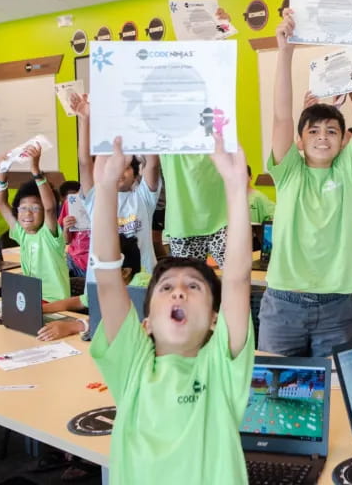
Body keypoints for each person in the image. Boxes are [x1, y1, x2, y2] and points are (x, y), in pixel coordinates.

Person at [90, 135, 253, 485]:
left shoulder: (221, 367)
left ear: (214, 320)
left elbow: (237, 279)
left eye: (194, 287)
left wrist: (235, 188)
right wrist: (104, 189)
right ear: (146, 323)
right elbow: (107, 280)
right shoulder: (133, 366)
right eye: (166, 288)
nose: (179, 291)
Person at [259, 8, 352, 356]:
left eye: (331, 131)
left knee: (334, 385)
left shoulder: (347, 170)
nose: (322, 136)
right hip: (283, 304)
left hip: (336, 306)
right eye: (313, 131)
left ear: (343, 140)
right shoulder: (289, 171)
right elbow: (281, 115)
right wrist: (285, 53)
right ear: (299, 141)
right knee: (274, 386)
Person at [72, 94, 160, 279]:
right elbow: (84, 163)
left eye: (126, 167)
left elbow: (152, 164)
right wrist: (85, 120)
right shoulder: (96, 198)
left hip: (142, 280)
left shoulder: (143, 198)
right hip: (101, 281)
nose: (119, 171)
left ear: (136, 175)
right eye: (111, 165)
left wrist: (143, 118)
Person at [0, 143, 70, 303]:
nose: (27, 213)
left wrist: (35, 170)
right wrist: (3, 169)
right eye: (23, 208)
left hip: (56, 302)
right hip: (32, 298)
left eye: (35, 208)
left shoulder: (48, 234)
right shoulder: (21, 233)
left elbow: (50, 207)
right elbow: (0, 203)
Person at [57, 180, 89, 278]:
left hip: (98, 263)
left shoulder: (109, 201)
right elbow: (67, 240)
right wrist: (66, 228)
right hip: (74, 262)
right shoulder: (71, 202)